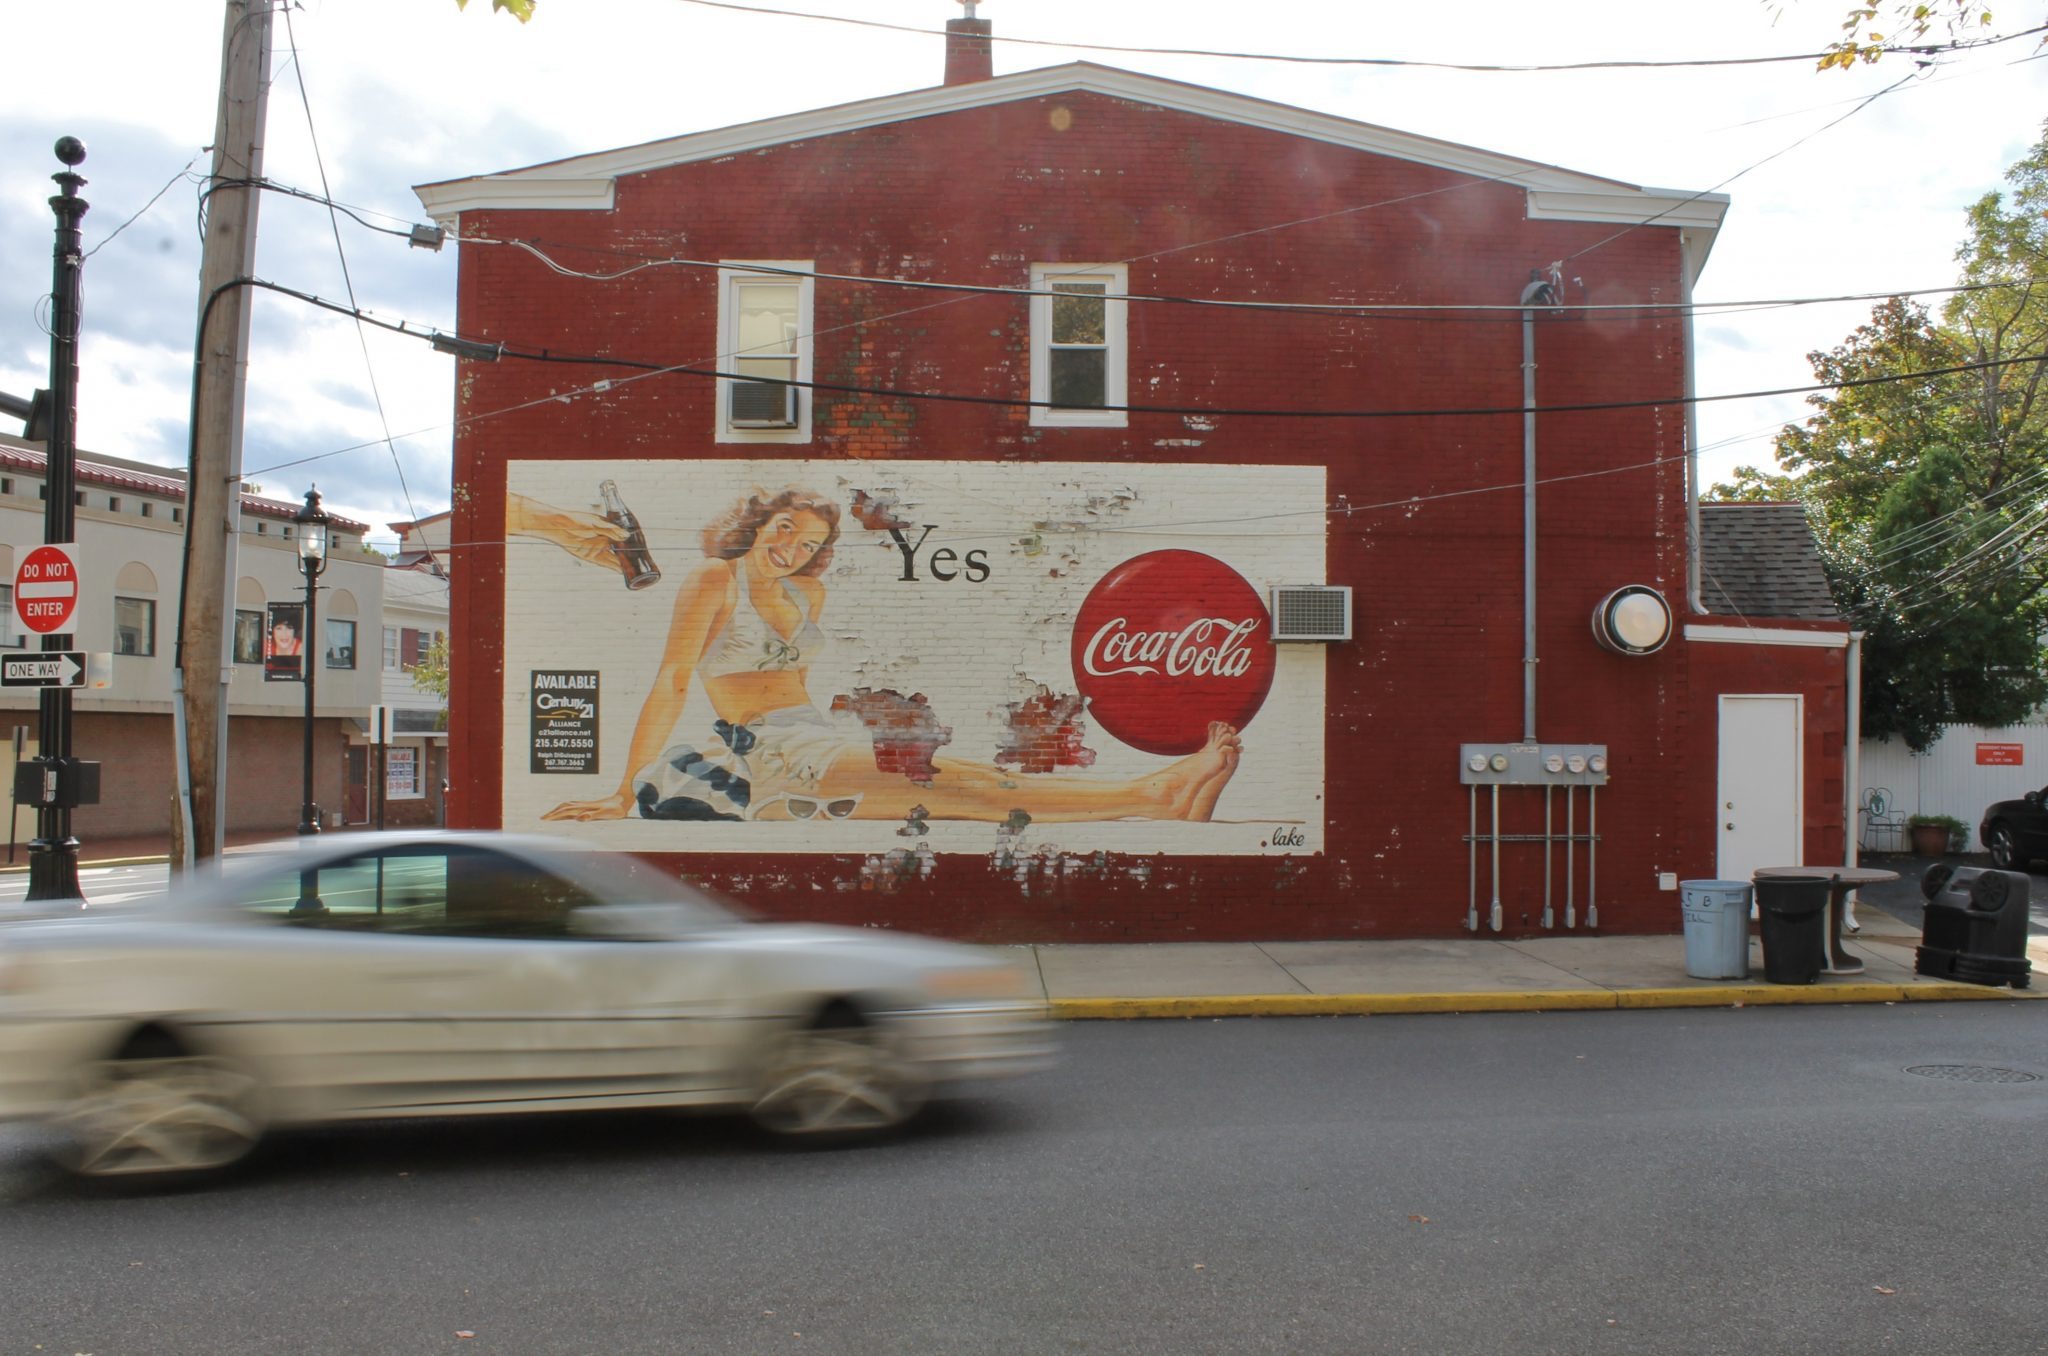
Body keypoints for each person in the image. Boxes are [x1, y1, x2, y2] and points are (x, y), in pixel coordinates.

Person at [520, 485, 1242, 824]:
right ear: (756, 523)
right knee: (966, 786)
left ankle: (1158, 804)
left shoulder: (808, 597)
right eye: (781, 529)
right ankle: (1151, 794)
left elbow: (795, 681)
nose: (790, 548)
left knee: (969, 787)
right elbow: (673, 682)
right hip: (765, 753)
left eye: (806, 543)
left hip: (815, 740)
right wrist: (622, 792)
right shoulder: (718, 578)